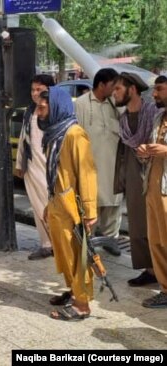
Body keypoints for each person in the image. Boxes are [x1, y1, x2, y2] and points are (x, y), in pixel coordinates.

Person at [36, 88, 98, 321]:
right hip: (58, 204)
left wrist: (90, 211)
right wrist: (49, 204)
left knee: (77, 255)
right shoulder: (54, 134)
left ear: (56, 106)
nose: (38, 113)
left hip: (73, 208)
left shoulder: (74, 134)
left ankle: (81, 305)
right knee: (64, 254)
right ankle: (73, 291)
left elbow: (87, 173)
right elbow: (55, 175)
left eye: (43, 107)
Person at [113, 72, 159, 286]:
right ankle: (150, 271)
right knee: (138, 225)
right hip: (134, 174)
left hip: (155, 174)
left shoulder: (154, 113)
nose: (114, 93)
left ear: (132, 89)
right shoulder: (122, 120)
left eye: (118, 89)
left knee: (160, 225)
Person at [75, 68, 122, 255]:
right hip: (89, 165)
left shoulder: (117, 103)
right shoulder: (81, 103)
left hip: (113, 164)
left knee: (113, 204)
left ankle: (112, 241)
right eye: (113, 85)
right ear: (102, 85)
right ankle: (88, 243)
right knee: (89, 204)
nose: (116, 89)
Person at [15, 74, 56, 261]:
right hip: (32, 166)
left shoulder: (55, 110)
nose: (34, 93)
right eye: (33, 90)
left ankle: (60, 243)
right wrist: (19, 163)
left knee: (51, 207)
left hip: (49, 167)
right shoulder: (30, 111)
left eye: (39, 89)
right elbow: (25, 137)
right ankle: (47, 244)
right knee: (38, 207)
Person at [137, 75, 167, 308]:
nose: (154, 94)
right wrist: (144, 152)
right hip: (153, 188)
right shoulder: (158, 116)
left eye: (159, 89)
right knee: (156, 241)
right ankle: (165, 290)